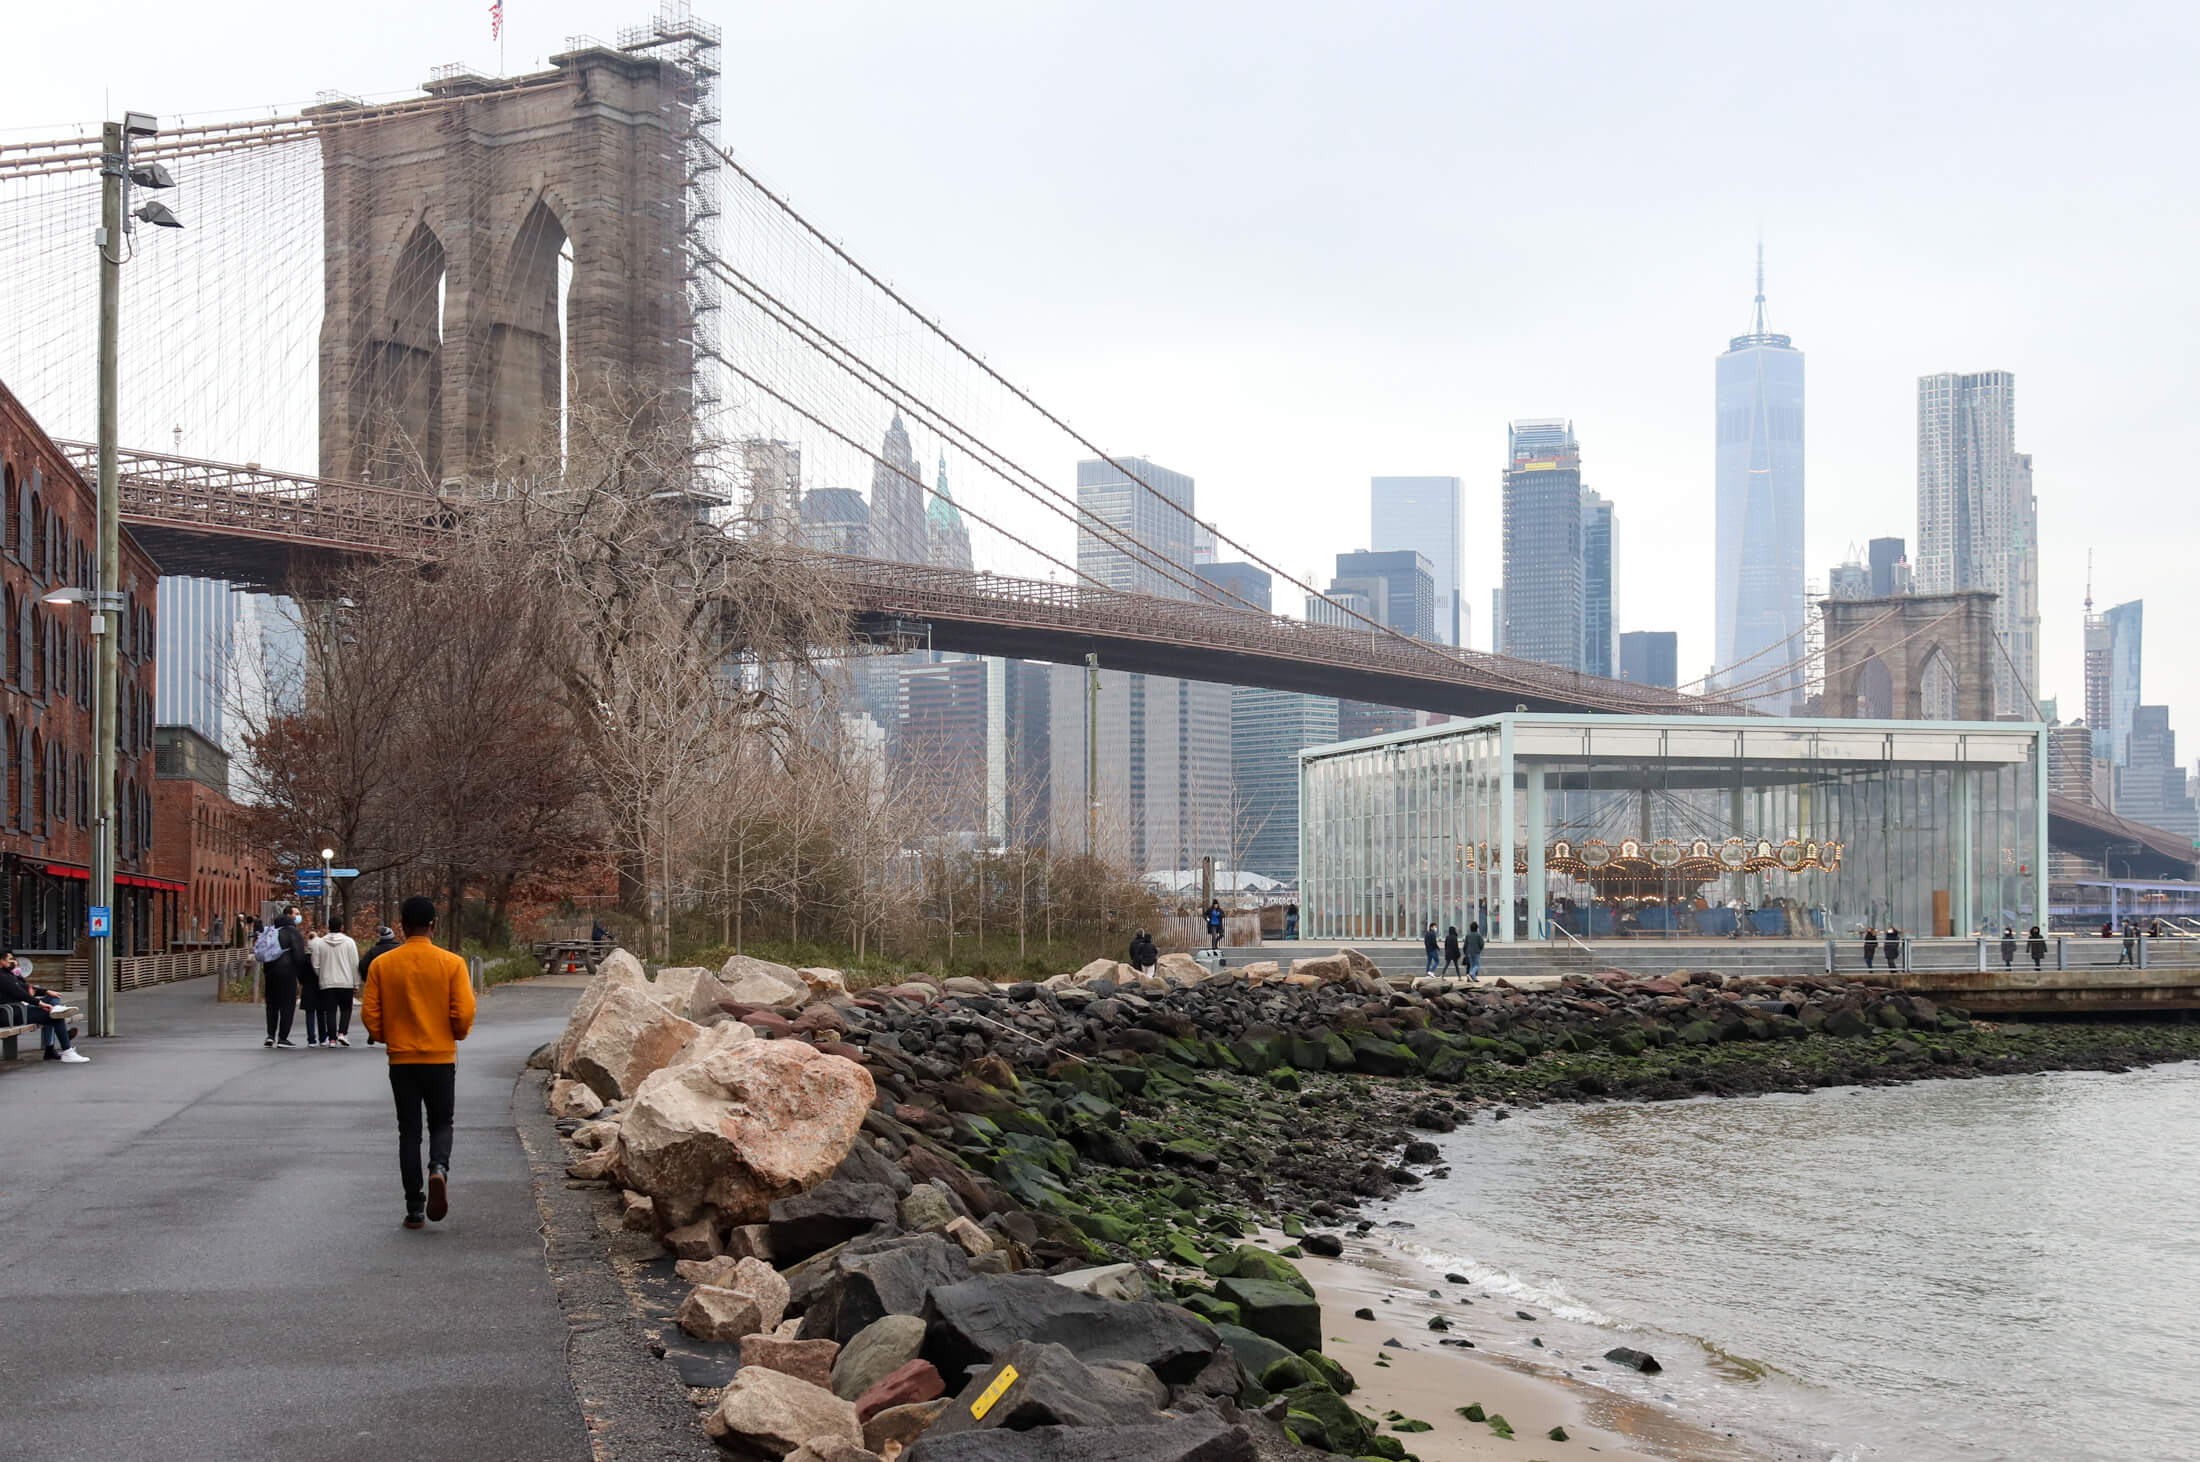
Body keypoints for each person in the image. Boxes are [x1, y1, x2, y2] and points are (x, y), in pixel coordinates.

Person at [362, 896, 476, 1230]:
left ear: (401, 925)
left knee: (408, 1130)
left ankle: (414, 1205)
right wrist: (456, 1033)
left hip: (402, 1059)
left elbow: (369, 1012)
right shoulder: (452, 963)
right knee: (442, 1122)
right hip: (440, 1056)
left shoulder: (383, 964)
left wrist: (386, 1036)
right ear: (433, 924)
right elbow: (465, 1011)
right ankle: (439, 1168)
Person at [0, 951, 87, 1062]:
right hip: (9, 1014)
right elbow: (19, 993)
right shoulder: (2, 977)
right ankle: (66, 1050)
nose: (14, 962)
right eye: (11, 960)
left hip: (17, 1010)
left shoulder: (7, 974)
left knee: (53, 1001)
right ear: (1, 961)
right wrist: (40, 1003)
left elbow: (24, 987)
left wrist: (46, 991)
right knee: (54, 1016)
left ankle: (56, 1012)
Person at [259, 911, 311, 1048]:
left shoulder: (271, 934)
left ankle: (270, 1035)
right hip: (287, 974)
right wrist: (301, 976)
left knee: (272, 1005)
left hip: (270, 974)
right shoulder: (293, 933)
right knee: (287, 1005)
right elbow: (299, 956)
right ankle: (283, 1037)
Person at [311, 916, 362, 1047]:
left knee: (330, 1011)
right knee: (346, 1009)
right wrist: (356, 983)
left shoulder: (320, 943)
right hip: (346, 982)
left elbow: (315, 964)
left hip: (327, 982)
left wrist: (321, 975)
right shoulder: (349, 942)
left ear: (328, 927)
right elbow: (354, 964)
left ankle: (332, 1039)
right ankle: (342, 1033)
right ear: (342, 927)